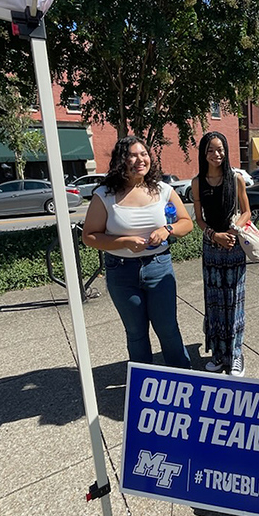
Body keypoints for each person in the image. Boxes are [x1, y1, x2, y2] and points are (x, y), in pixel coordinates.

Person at [82, 135, 193, 368]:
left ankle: (184, 380)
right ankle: (144, 386)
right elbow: (89, 236)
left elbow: (186, 223)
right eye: (133, 155)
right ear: (121, 160)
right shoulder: (105, 195)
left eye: (144, 154)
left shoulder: (162, 189)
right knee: (136, 332)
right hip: (122, 272)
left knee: (168, 328)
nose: (140, 159)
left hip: (158, 267)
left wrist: (167, 229)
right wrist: (123, 241)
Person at [192, 132, 251, 377]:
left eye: (220, 149)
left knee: (234, 301)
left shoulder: (235, 178)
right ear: (203, 154)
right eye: (211, 150)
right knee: (215, 302)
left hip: (234, 246)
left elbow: (247, 211)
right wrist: (214, 235)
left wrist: (233, 231)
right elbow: (199, 219)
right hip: (212, 248)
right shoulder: (198, 182)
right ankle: (218, 353)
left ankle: (236, 354)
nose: (216, 154)